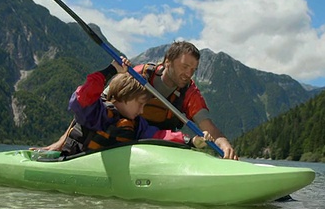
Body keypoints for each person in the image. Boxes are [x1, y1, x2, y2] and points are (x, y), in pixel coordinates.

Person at [39, 41, 239, 160]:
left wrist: (223, 145)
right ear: (167, 62)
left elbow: (206, 126)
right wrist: (61, 143)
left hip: (149, 139)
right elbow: (87, 107)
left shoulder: (189, 93)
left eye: (193, 69)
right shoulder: (138, 76)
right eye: (185, 67)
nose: (189, 74)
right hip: (116, 143)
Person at [57, 56, 213, 156]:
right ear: (124, 95)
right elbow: (84, 95)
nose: (142, 110)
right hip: (73, 160)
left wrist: (190, 141)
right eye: (140, 104)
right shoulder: (98, 112)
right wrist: (110, 70)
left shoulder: (137, 124)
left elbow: (160, 136)